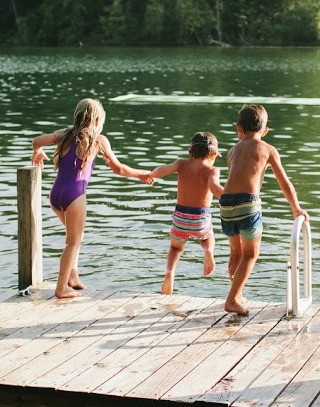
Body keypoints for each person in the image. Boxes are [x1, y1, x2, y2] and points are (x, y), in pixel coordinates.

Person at [32, 98, 153, 298]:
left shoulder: (64, 135)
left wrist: (38, 153)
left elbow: (36, 141)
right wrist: (140, 173)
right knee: (73, 241)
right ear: (97, 120)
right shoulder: (98, 140)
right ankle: (61, 287)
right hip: (75, 195)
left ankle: (73, 278)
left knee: (73, 239)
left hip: (56, 195)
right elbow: (119, 168)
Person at [219, 104, 308, 315]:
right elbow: (284, 183)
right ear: (265, 130)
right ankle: (232, 299)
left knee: (236, 251)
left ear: (238, 128)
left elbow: (235, 177)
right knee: (250, 254)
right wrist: (296, 208)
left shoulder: (232, 151)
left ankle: (236, 292)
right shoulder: (268, 149)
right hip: (248, 204)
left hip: (226, 203)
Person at [149, 132, 224, 295]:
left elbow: (163, 170)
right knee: (207, 237)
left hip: (181, 216)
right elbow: (215, 188)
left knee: (175, 248)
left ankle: (170, 273)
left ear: (190, 151)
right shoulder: (212, 170)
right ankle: (208, 251)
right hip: (201, 217)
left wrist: (151, 175)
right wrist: (232, 196)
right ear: (213, 154)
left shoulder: (181, 163)